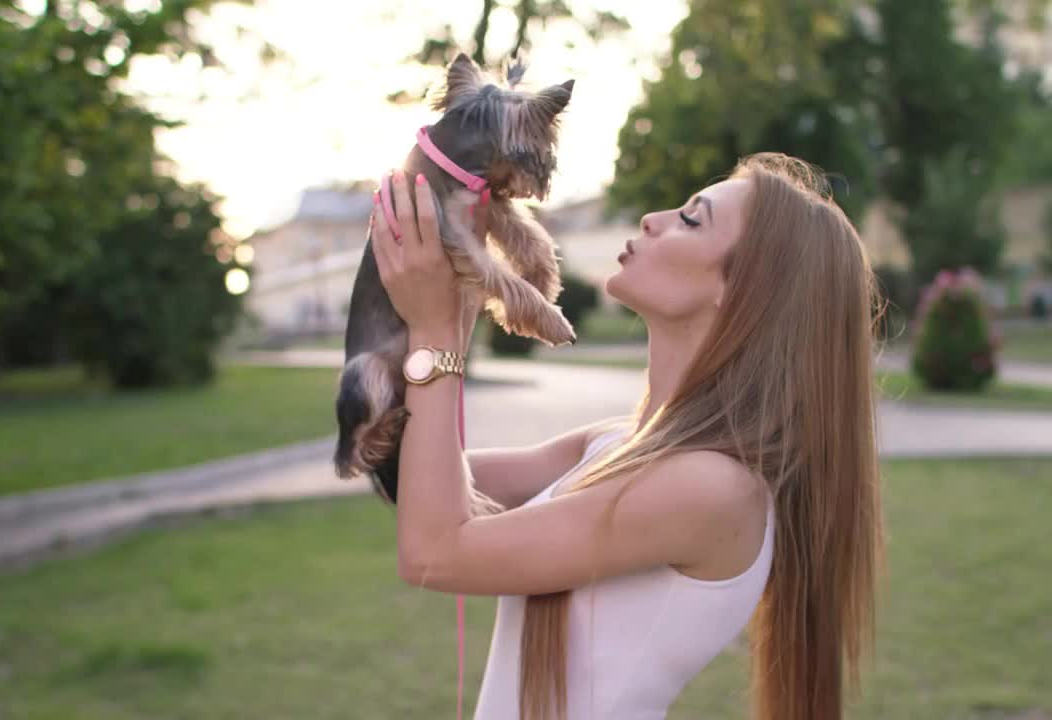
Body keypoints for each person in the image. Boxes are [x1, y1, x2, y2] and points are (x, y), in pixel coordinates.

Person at [368, 152, 884, 720]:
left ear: (741, 292)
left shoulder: (713, 488)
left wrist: (435, 329)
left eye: (691, 219)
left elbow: (433, 553)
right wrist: (461, 285)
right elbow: (405, 476)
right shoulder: (613, 447)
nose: (651, 218)